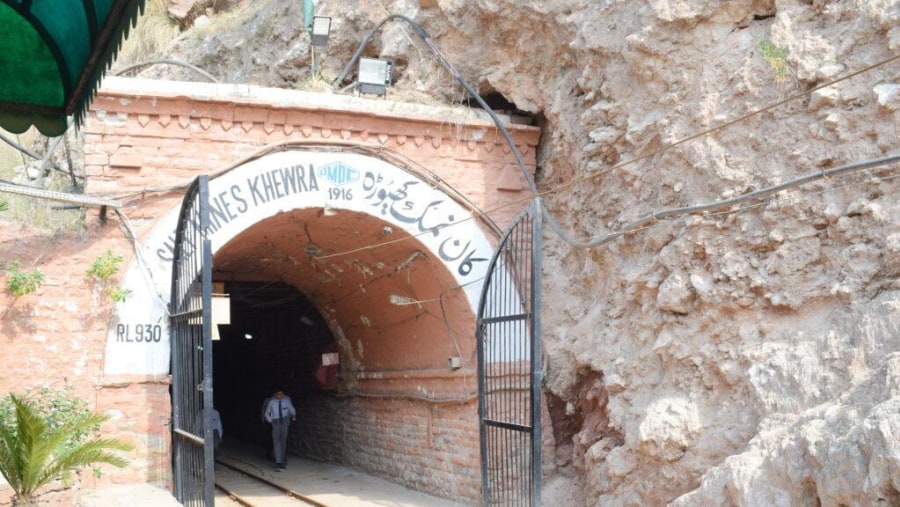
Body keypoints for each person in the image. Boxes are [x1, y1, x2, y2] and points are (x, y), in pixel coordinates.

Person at [264, 388, 296, 471]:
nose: (280, 396)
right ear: (275, 395)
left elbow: (292, 409)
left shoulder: (286, 401)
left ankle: (282, 460)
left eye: (281, 394)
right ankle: (278, 462)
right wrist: (271, 421)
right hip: (276, 422)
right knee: (276, 441)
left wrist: (293, 415)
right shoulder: (271, 402)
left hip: (284, 422)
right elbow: (266, 413)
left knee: (283, 442)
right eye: (278, 394)